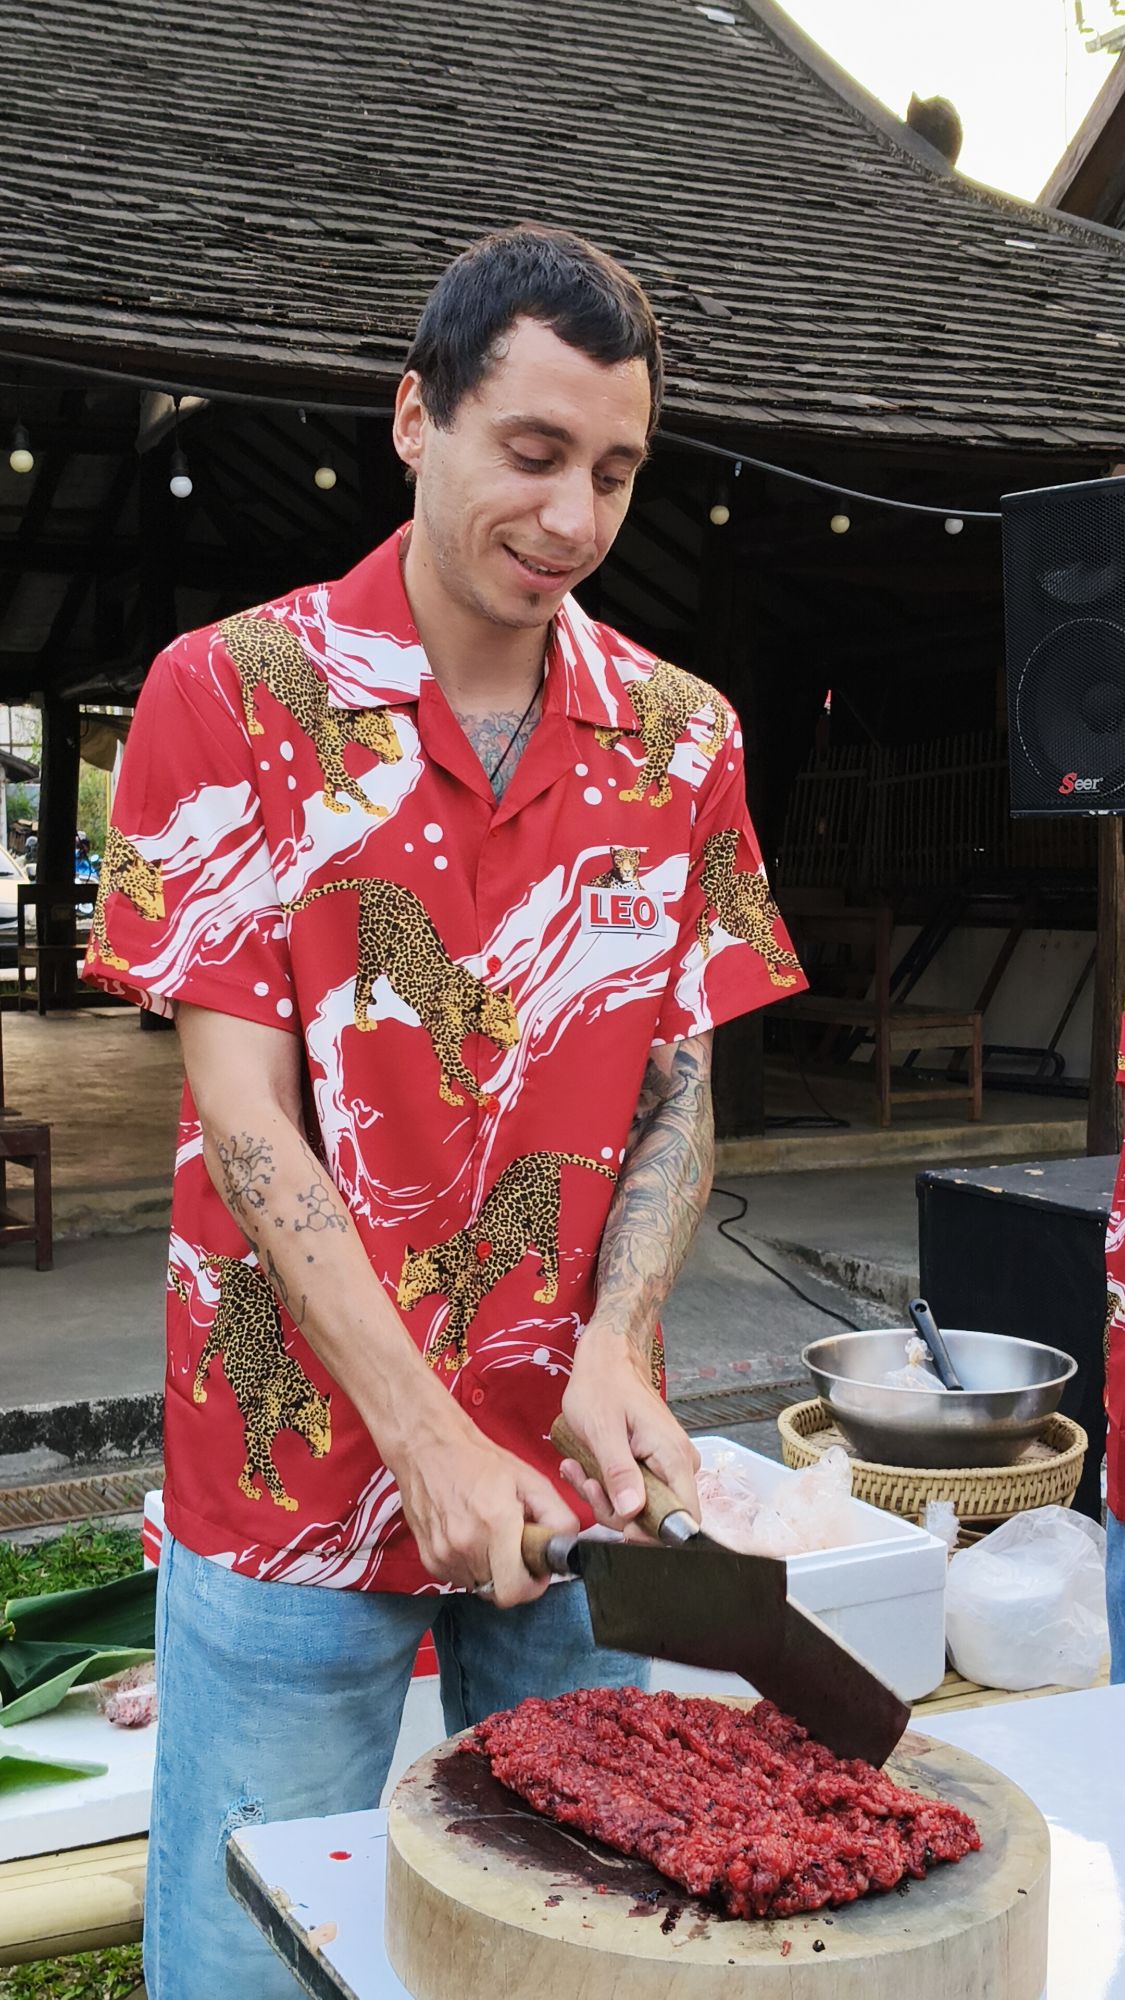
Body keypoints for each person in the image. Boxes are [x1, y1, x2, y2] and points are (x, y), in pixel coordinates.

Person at [85, 224, 805, 1998]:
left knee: (573, 1944)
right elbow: (244, 1115)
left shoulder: (681, 738)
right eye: (532, 452)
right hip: (291, 1471)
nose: (572, 518)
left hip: (579, 1476)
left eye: (613, 473)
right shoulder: (231, 694)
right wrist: (417, 1430)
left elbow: (677, 1089)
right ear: (415, 418)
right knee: (256, 1955)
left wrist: (619, 1340)